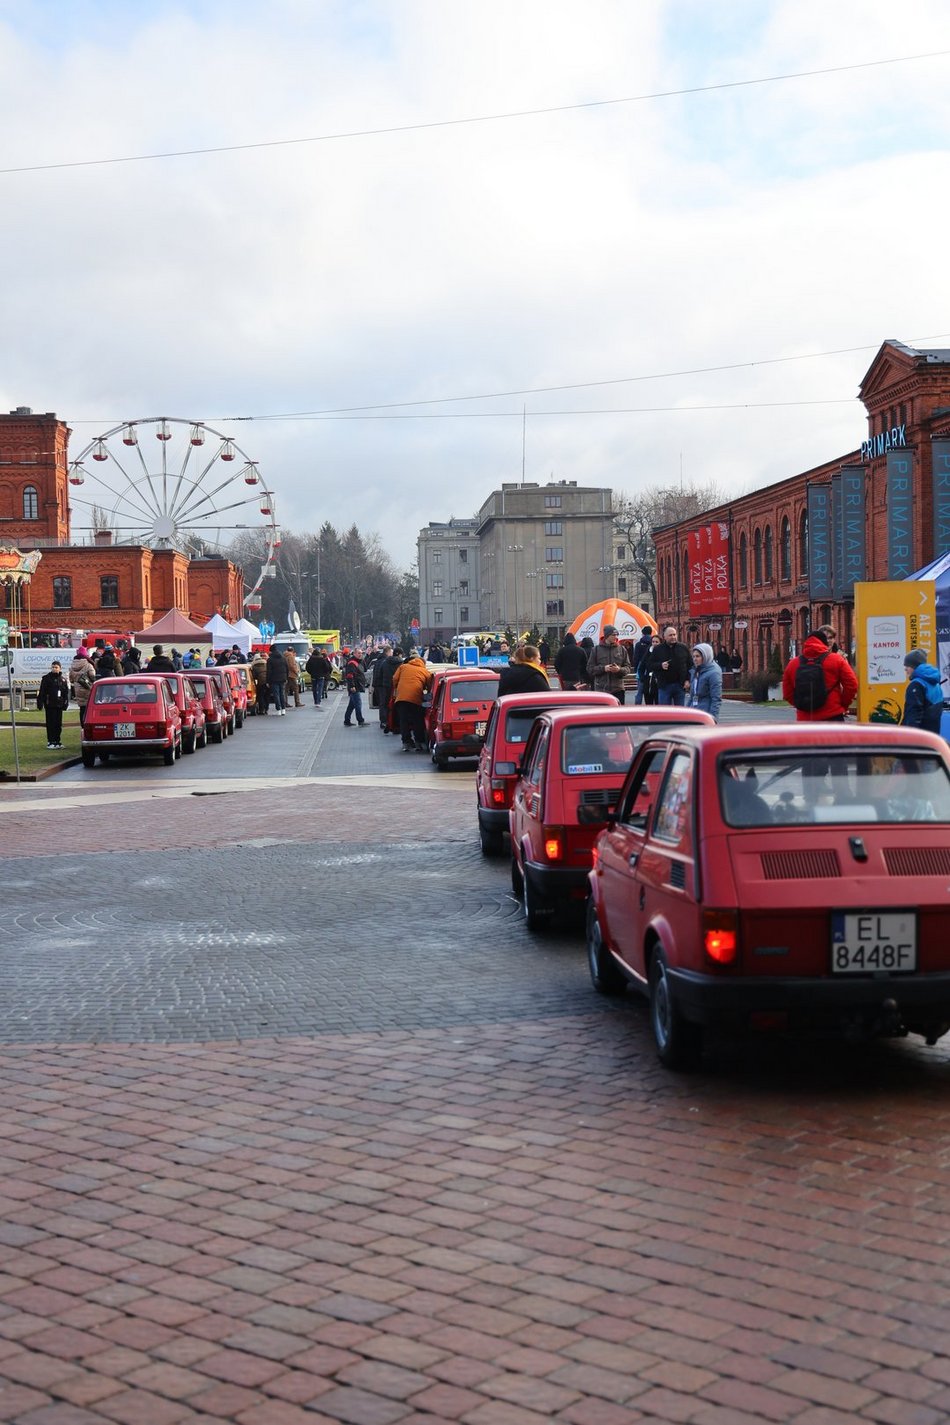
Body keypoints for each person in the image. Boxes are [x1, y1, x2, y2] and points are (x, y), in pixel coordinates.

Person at [781, 626, 857, 722]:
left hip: (805, 720)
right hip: (833, 716)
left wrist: (803, 704)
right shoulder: (837, 660)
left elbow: (787, 694)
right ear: (824, 643)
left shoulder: (793, 664)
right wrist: (843, 704)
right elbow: (852, 685)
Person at [392, 649, 431, 751]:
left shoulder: (403, 667)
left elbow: (394, 678)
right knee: (417, 720)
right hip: (415, 698)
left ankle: (406, 742)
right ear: (423, 663)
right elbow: (430, 687)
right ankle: (419, 742)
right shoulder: (425, 671)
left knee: (403, 721)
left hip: (401, 698)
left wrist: (397, 688)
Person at [901, 648, 944, 733]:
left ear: (915, 666)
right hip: (933, 735)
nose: (905, 669)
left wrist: (907, 735)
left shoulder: (916, 685)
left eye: (908, 665)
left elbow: (913, 714)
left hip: (918, 737)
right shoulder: (936, 684)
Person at [586, 625, 631, 704]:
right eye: (613, 635)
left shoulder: (622, 649)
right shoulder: (596, 650)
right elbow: (590, 668)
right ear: (607, 635)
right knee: (601, 714)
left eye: (617, 635)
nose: (616, 637)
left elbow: (628, 668)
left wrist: (619, 669)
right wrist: (603, 668)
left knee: (618, 714)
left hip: (618, 689)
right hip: (601, 689)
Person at [653, 625, 691, 706]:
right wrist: (660, 665)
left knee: (680, 712)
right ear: (665, 637)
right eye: (670, 635)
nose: (673, 637)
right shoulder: (658, 649)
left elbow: (690, 665)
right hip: (664, 685)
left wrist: (688, 679)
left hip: (680, 685)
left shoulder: (683, 648)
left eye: (674, 634)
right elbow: (650, 664)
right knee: (665, 711)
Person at [37, 660, 70, 749]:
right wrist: (40, 703)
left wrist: (65, 703)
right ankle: (50, 741)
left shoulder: (62, 680)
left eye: (56, 667)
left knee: (58, 724)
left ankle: (57, 741)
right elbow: (42, 691)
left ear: (60, 668)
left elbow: (65, 693)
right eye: (53, 667)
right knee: (50, 724)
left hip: (59, 705)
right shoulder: (46, 679)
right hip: (50, 705)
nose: (54, 669)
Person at [689, 643, 723, 722]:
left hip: (705, 713)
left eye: (698, 656)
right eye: (693, 656)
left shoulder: (714, 673)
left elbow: (716, 699)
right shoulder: (696, 670)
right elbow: (692, 696)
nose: (695, 659)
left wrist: (713, 719)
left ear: (705, 656)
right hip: (694, 710)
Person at [377, 646, 404, 732]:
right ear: (399, 654)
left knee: (386, 704)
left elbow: (380, 674)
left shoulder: (385, 662)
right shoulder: (401, 664)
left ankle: (385, 722)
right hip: (397, 687)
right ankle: (396, 724)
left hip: (386, 686)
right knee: (397, 705)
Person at [68, 646, 97, 726]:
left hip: (78, 690)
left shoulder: (73, 665)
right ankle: (88, 724)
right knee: (89, 708)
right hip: (88, 688)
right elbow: (92, 676)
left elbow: (71, 679)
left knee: (82, 708)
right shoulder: (88, 664)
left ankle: (82, 726)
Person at [343, 650, 367, 727]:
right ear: (354, 654)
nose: (360, 654)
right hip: (355, 686)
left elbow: (364, 670)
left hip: (357, 685)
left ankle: (347, 720)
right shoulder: (352, 663)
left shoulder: (359, 662)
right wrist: (352, 686)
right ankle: (360, 720)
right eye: (359, 653)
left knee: (352, 705)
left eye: (361, 653)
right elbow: (350, 675)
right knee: (358, 703)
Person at [631, 627, 654, 704]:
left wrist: (636, 669)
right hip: (652, 667)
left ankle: (638, 708)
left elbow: (636, 658)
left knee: (640, 691)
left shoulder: (638, 644)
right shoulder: (654, 642)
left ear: (643, 633)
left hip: (641, 668)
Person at [265, 646, 289, 715]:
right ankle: (283, 709)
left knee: (276, 694)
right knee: (282, 694)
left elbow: (269, 671)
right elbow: (287, 669)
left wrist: (267, 681)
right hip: (283, 678)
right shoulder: (283, 658)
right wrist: (286, 677)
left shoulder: (270, 660)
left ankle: (278, 709)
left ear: (271, 651)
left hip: (274, 679)